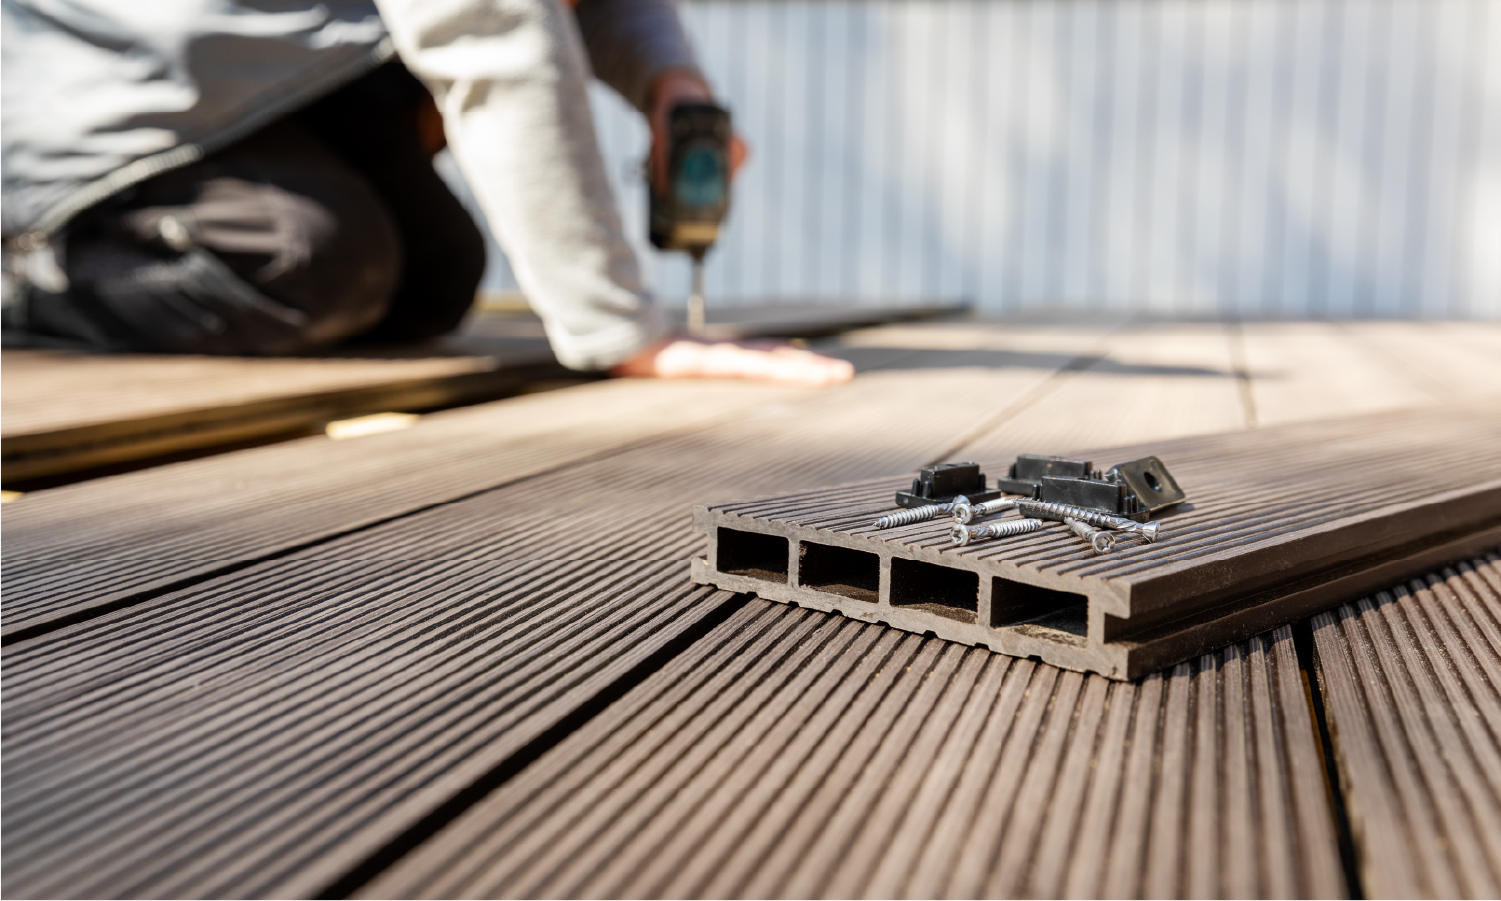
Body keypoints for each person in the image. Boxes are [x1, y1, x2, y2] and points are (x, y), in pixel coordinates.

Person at [0, 0, 853, 387]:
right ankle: (25, 270)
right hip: (97, 106)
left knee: (433, 277)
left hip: (264, 77)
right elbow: (485, 26)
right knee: (309, 259)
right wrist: (625, 331)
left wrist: (671, 82)